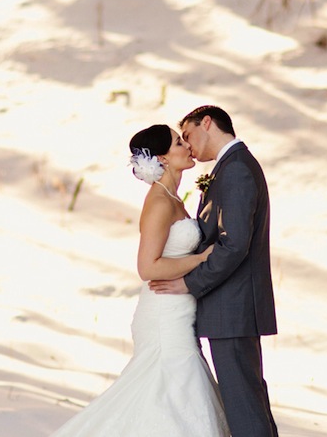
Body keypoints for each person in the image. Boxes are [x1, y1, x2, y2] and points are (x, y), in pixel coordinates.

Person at [48, 124, 228, 437]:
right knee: (174, 391)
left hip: (178, 309)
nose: (186, 145)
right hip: (163, 315)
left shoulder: (174, 199)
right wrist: (201, 259)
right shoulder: (159, 202)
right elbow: (148, 267)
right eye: (177, 142)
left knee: (167, 396)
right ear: (163, 158)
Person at [150, 105, 279, 437]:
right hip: (230, 309)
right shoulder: (231, 167)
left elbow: (233, 245)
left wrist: (189, 284)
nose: (188, 145)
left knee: (244, 408)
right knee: (248, 402)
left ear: (207, 123)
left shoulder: (235, 170)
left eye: (188, 135)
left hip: (232, 309)